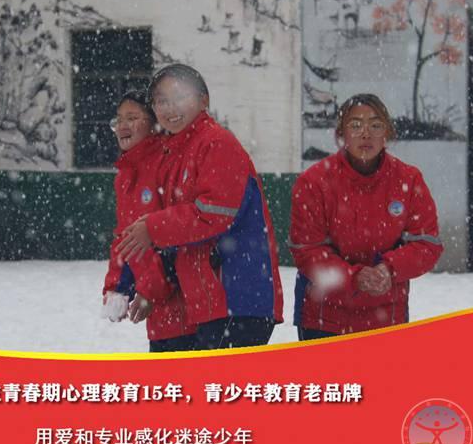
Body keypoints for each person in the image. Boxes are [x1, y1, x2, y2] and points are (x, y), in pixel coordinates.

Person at [117, 64, 284, 350]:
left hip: (237, 299)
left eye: (180, 97)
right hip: (212, 303)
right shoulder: (177, 152)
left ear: (203, 100)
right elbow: (175, 240)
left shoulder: (217, 143)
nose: (170, 108)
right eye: (161, 101)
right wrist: (144, 286)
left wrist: (152, 228)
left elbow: (213, 214)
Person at [289, 93, 443, 340]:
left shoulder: (408, 179)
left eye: (375, 125)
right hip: (323, 318)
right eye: (356, 125)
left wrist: (388, 269)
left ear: (387, 133)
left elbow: (427, 244)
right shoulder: (313, 182)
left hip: (387, 318)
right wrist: (353, 277)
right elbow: (306, 250)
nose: (366, 134)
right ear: (341, 133)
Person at [102, 90, 195, 352]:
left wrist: (150, 290)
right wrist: (117, 287)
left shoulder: (167, 163)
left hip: (187, 303)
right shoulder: (126, 174)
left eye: (132, 118)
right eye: (119, 119)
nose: (123, 126)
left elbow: (177, 236)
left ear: (154, 123)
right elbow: (125, 238)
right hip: (157, 309)